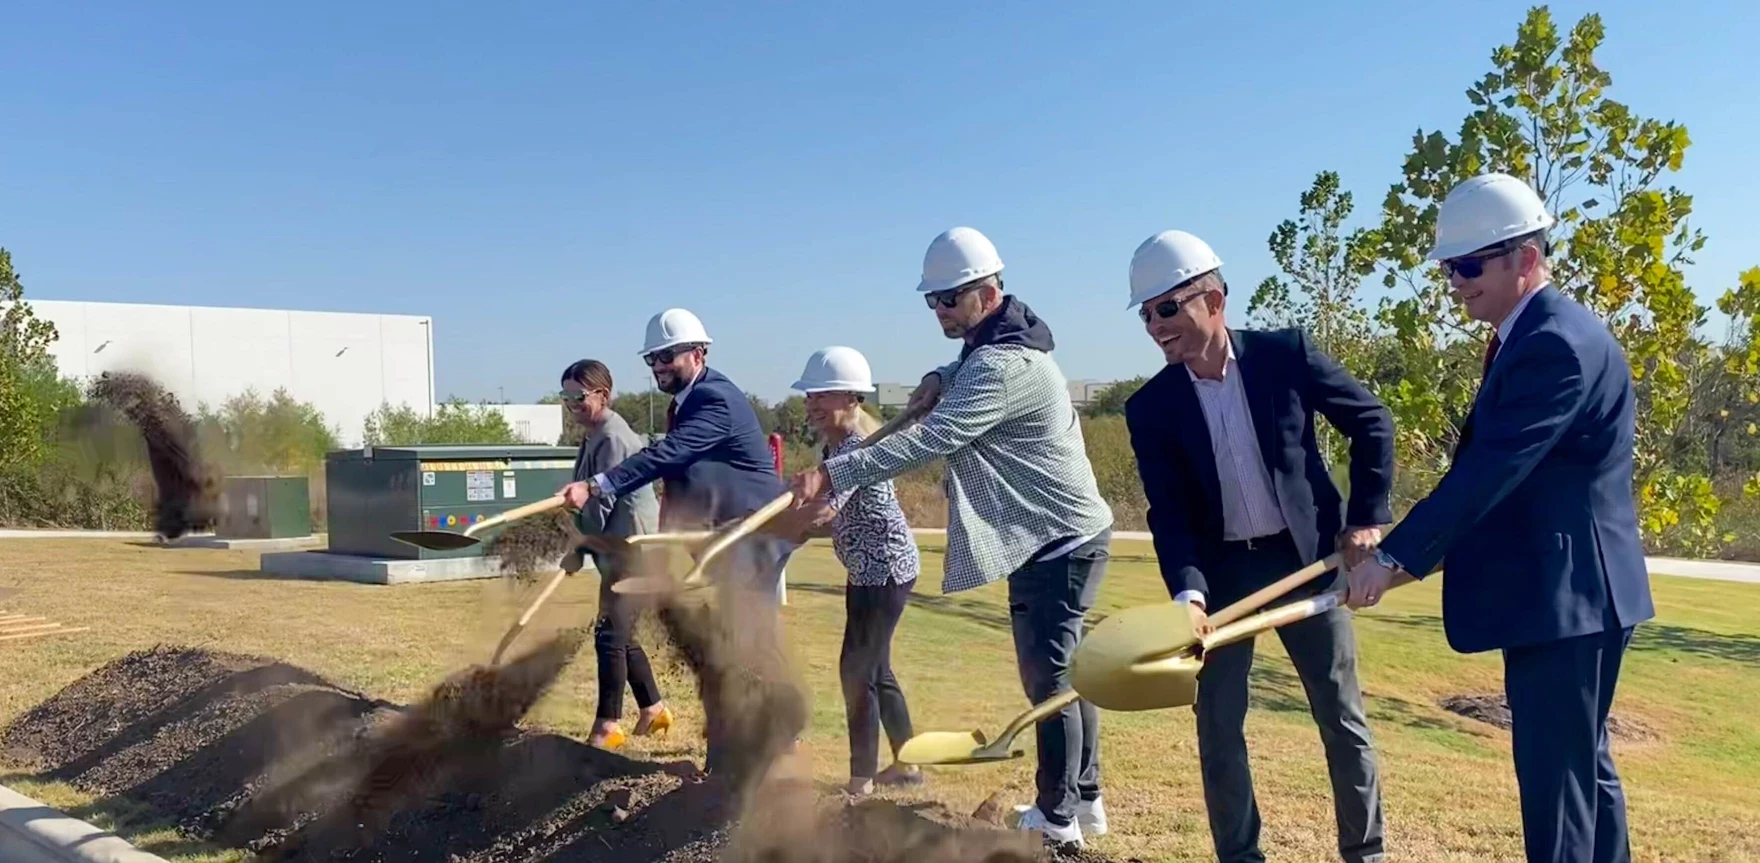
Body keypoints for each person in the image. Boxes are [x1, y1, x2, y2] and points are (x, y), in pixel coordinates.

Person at [1345, 172, 1654, 863]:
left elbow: (1491, 470)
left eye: (1467, 265)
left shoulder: (1555, 343)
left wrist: (1394, 560)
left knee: (1557, 785)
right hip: (1573, 597)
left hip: (1569, 599)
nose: (1454, 281)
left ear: (1525, 257)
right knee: (1584, 771)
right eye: (1449, 267)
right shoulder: (1537, 333)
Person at [792, 227, 1114, 850]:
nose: (938, 310)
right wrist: (941, 371)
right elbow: (965, 368)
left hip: (1061, 538)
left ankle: (1059, 819)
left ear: (988, 292)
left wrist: (834, 471)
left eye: (949, 299)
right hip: (1051, 534)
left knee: (1048, 679)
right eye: (931, 301)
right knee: (1067, 673)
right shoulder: (992, 344)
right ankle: (1085, 799)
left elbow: (933, 440)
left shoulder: (1004, 364)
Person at [1121, 230, 1393, 863]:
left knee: (1340, 716)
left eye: (1167, 308)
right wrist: (1188, 595)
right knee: (1218, 728)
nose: (1156, 326)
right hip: (1219, 576)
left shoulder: (1285, 355)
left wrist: (1365, 519)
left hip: (1304, 561)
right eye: (1146, 314)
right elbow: (1170, 514)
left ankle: (1366, 853)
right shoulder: (1150, 407)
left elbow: (1371, 420)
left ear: (1213, 300)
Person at [564, 307, 801, 779]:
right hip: (719, 535)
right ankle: (751, 746)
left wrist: (596, 486)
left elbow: (670, 455)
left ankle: (767, 745)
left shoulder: (715, 399)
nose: (659, 367)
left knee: (745, 637)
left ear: (699, 352)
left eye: (668, 356)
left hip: (750, 534)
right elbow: (683, 471)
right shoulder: (688, 401)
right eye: (653, 359)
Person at [787, 346, 924, 797]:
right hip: (867, 570)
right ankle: (909, 766)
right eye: (809, 396)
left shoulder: (853, 451)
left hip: (883, 572)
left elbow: (825, 513)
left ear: (851, 399)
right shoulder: (836, 447)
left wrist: (776, 526)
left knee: (857, 670)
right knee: (876, 668)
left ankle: (861, 780)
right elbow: (830, 520)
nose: (811, 405)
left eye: (820, 395)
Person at [556, 358, 672, 751]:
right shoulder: (594, 433)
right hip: (615, 545)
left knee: (610, 635)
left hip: (632, 547)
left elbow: (600, 504)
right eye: (566, 396)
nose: (571, 403)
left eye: (578, 396)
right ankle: (654, 711)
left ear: (602, 395)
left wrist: (578, 546)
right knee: (622, 634)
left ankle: (608, 725)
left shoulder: (613, 436)